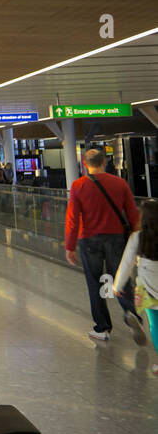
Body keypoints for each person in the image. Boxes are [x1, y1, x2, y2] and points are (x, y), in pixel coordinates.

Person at [65, 148, 145, 343]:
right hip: (116, 238)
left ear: (85, 164)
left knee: (95, 283)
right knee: (120, 279)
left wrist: (70, 246)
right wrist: (137, 241)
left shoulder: (78, 185)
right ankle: (130, 312)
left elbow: (73, 218)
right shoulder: (120, 183)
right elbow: (133, 214)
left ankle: (102, 328)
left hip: (89, 239)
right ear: (104, 162)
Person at [114, 201, 158, 371]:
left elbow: (126, 264)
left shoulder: (137, 238)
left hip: (149, 291)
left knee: (155, 325)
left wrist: (117, 286)